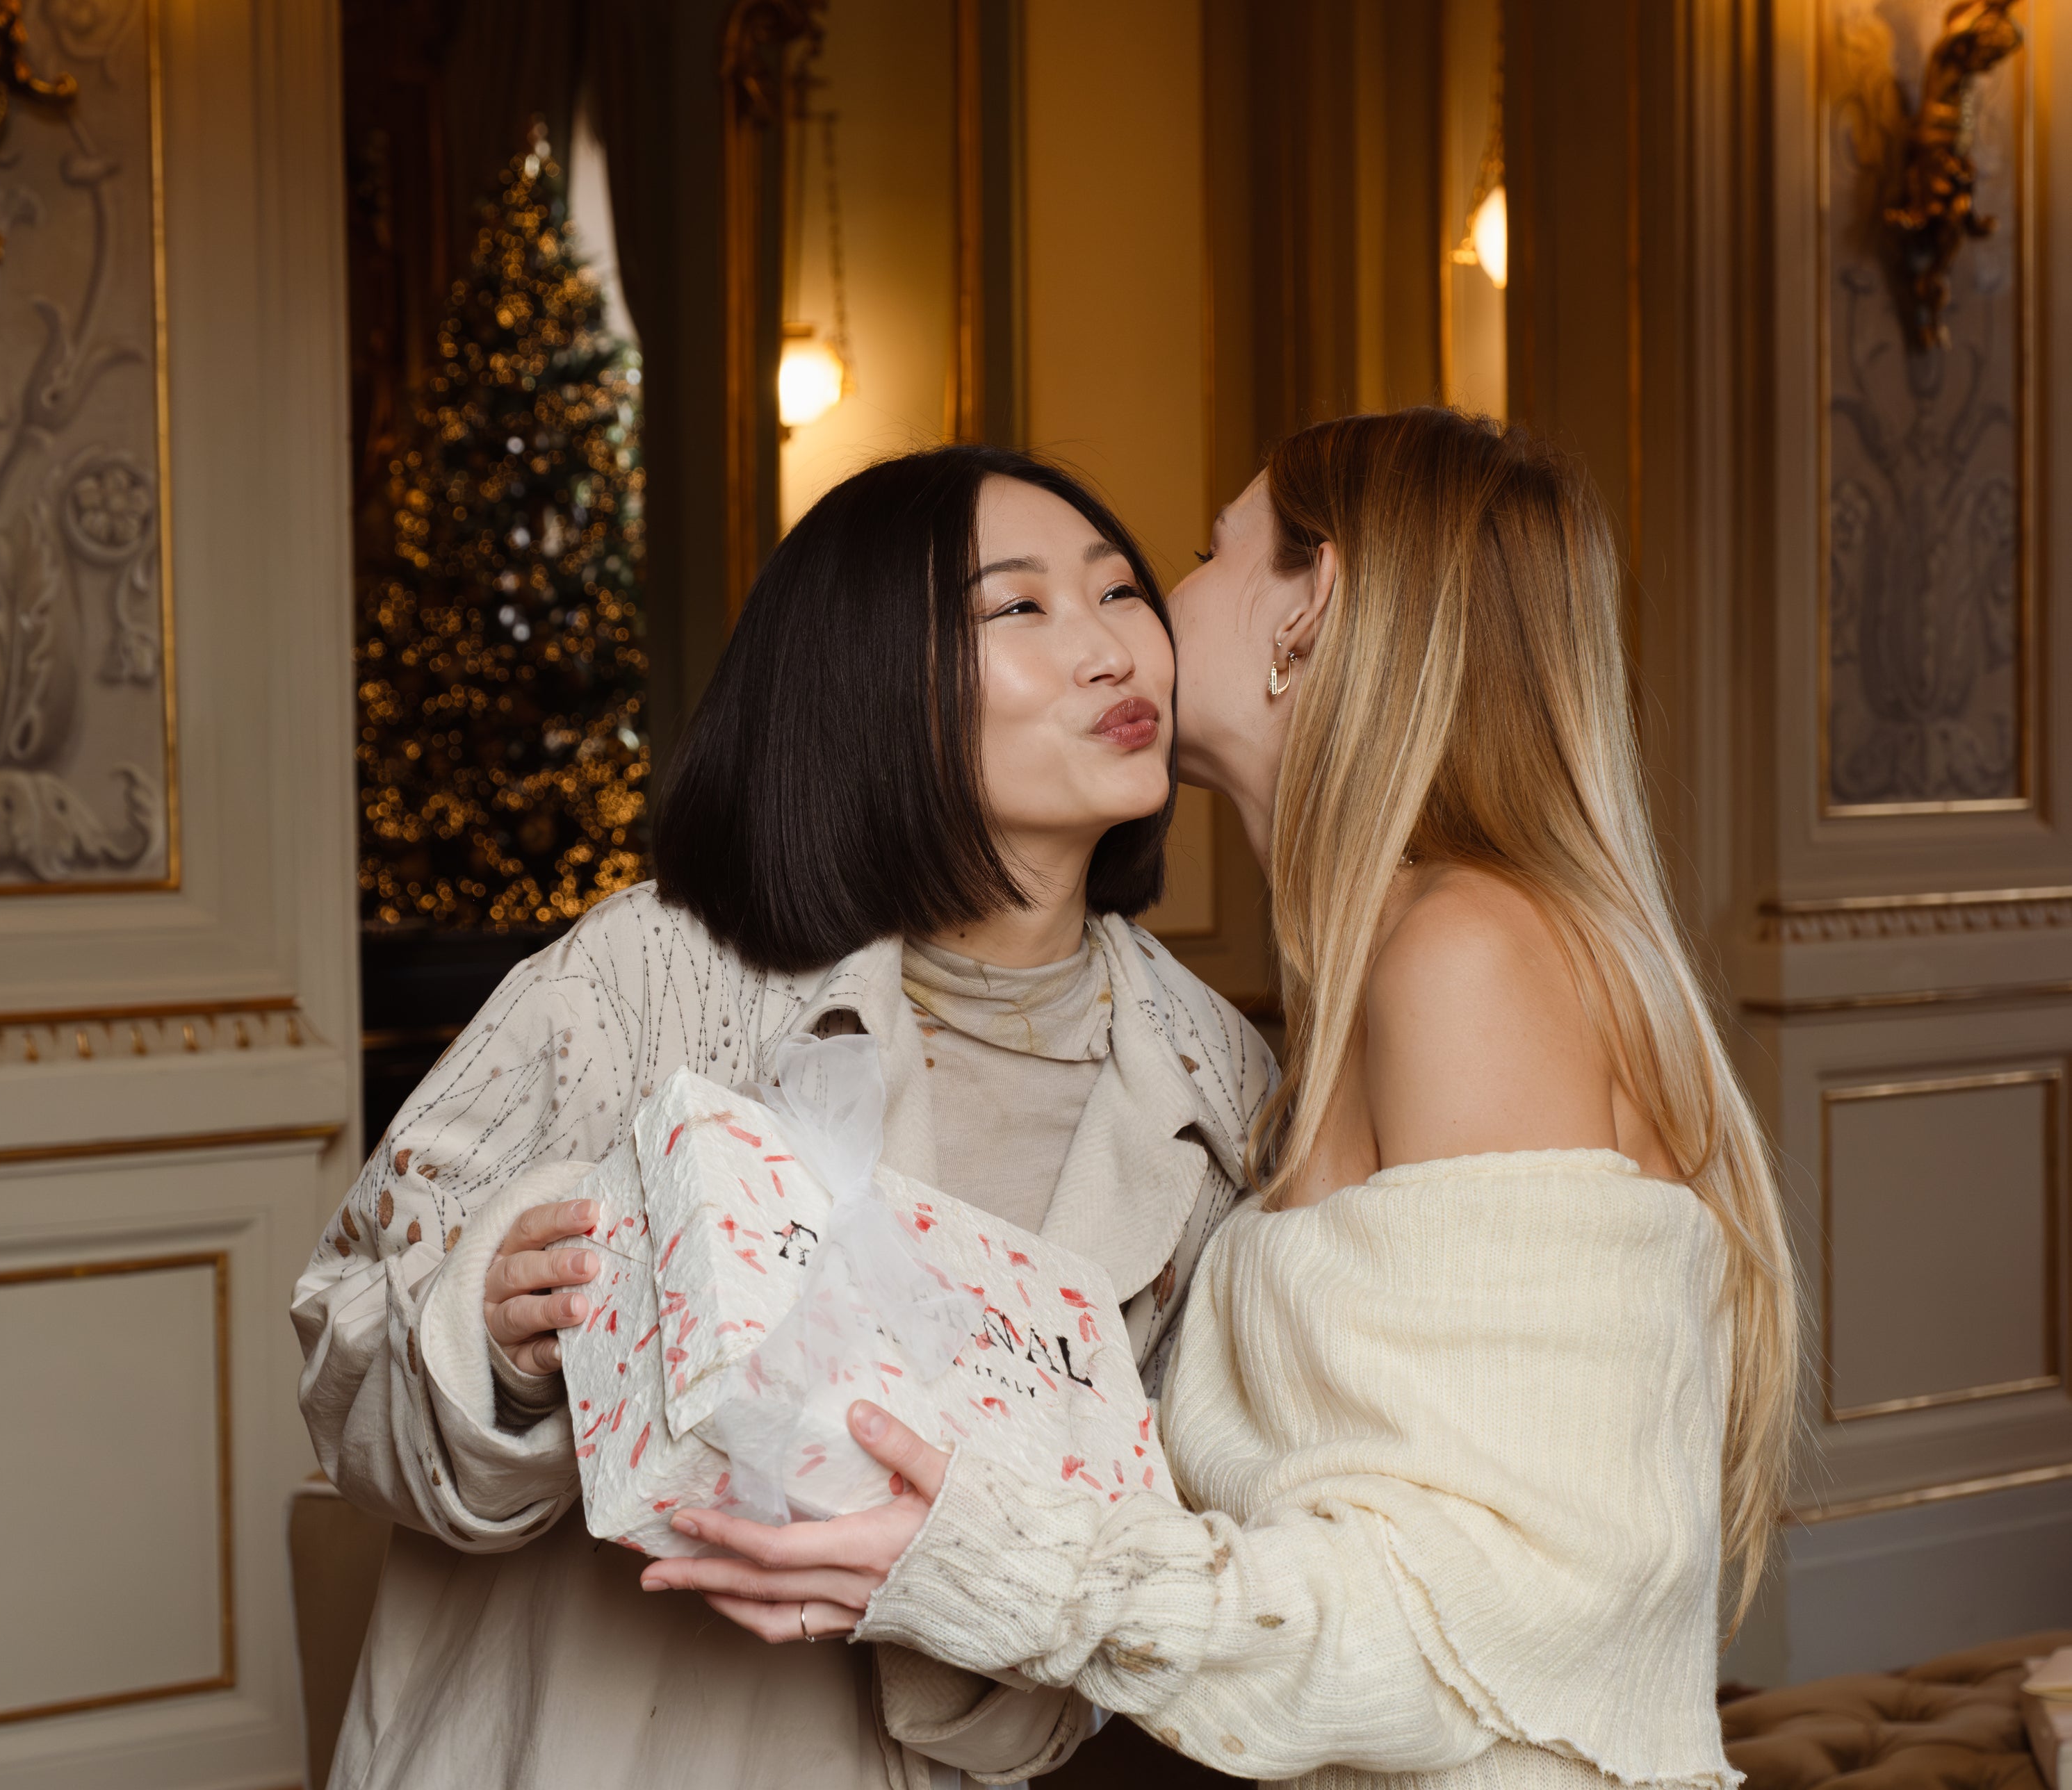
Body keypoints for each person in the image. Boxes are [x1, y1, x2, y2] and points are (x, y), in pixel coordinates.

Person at [639, 408, 1801, 1790]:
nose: (1142, 615)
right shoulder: (1351, 992)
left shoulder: (1465, 955)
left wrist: (985, 1563)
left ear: (1309, 605)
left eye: (1201, 552)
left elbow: (1484, 1600)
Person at [291, 444, 1276, 1790]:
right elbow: (341, 1347)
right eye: (1020, 607)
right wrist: (495, 1342)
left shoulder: (1220, 1084)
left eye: (1118, 593)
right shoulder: (654, 970)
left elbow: (1147, 1560)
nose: (1112, 651)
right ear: (869, 679)